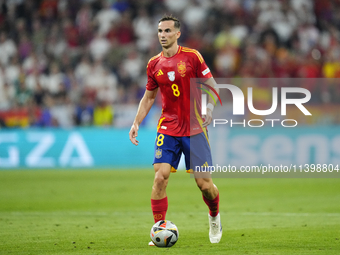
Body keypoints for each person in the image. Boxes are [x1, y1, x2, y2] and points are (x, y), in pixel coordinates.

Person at [129, 15, 222, 245]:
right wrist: (136, 122)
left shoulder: (192, 57)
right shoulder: (154, 64)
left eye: (168, 31)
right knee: (160, 177)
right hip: (168, 127)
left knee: (205, 185)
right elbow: (149, 96)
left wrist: (209, 108)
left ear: (178, 34)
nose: (163, 35)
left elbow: (212, 85)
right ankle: (159, 228)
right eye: (160, 31)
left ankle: (214, 216)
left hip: (195, 128)